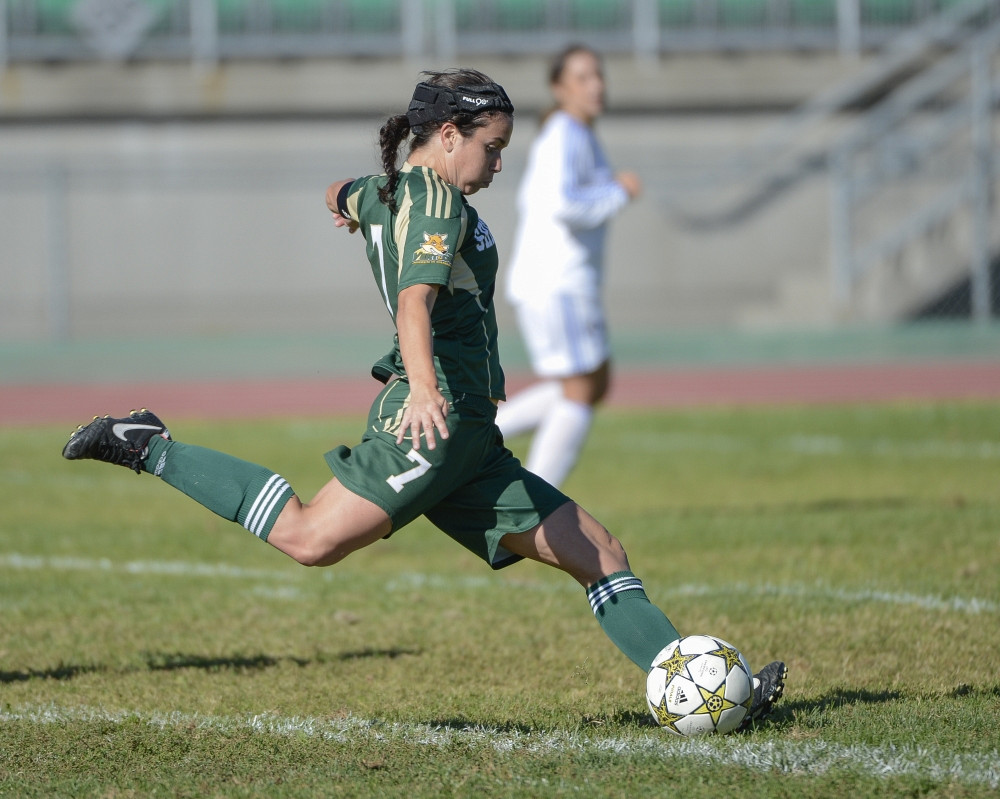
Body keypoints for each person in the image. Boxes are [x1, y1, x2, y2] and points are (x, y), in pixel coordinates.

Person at [61, 68, 785, 727]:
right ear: (447, 136)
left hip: (470, 437)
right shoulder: (437, 201)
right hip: (432, 426)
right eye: (492, 148)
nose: (499, 163)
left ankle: (712, 693)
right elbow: (415, 305)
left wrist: (353, 212)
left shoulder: (392, 188)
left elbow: (336, 193)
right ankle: (147, 444)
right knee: (310, 538)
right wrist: (428, 392)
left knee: (599, 550)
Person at [497, 45, 639, 489]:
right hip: (556, 282)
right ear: (559, 88)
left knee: (592, 382)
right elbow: (563, 204)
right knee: (580, 389)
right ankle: (535, 503)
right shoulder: (564, 133)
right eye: (581, 77)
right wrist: (618, 192)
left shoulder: (576, 133)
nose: (595, 85)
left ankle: (486, 434)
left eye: (598, 75)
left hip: (561, 282)